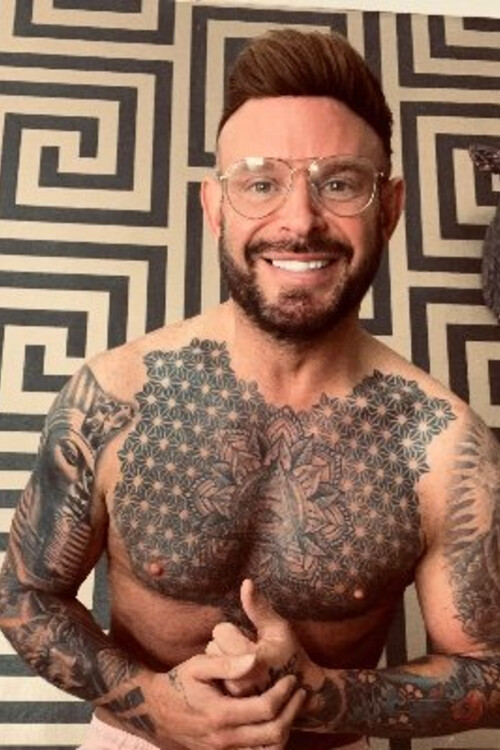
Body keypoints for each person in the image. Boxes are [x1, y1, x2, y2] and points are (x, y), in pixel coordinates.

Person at [0, 26, 499, 750]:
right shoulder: (113, 399)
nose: (299, 220)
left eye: (339, 182)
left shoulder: (444, 448)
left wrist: (322, 697)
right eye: (261, 183)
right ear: (215, 208)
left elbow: (489, 673)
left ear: (388, 209)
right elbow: (25, 591)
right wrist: (153, 703)